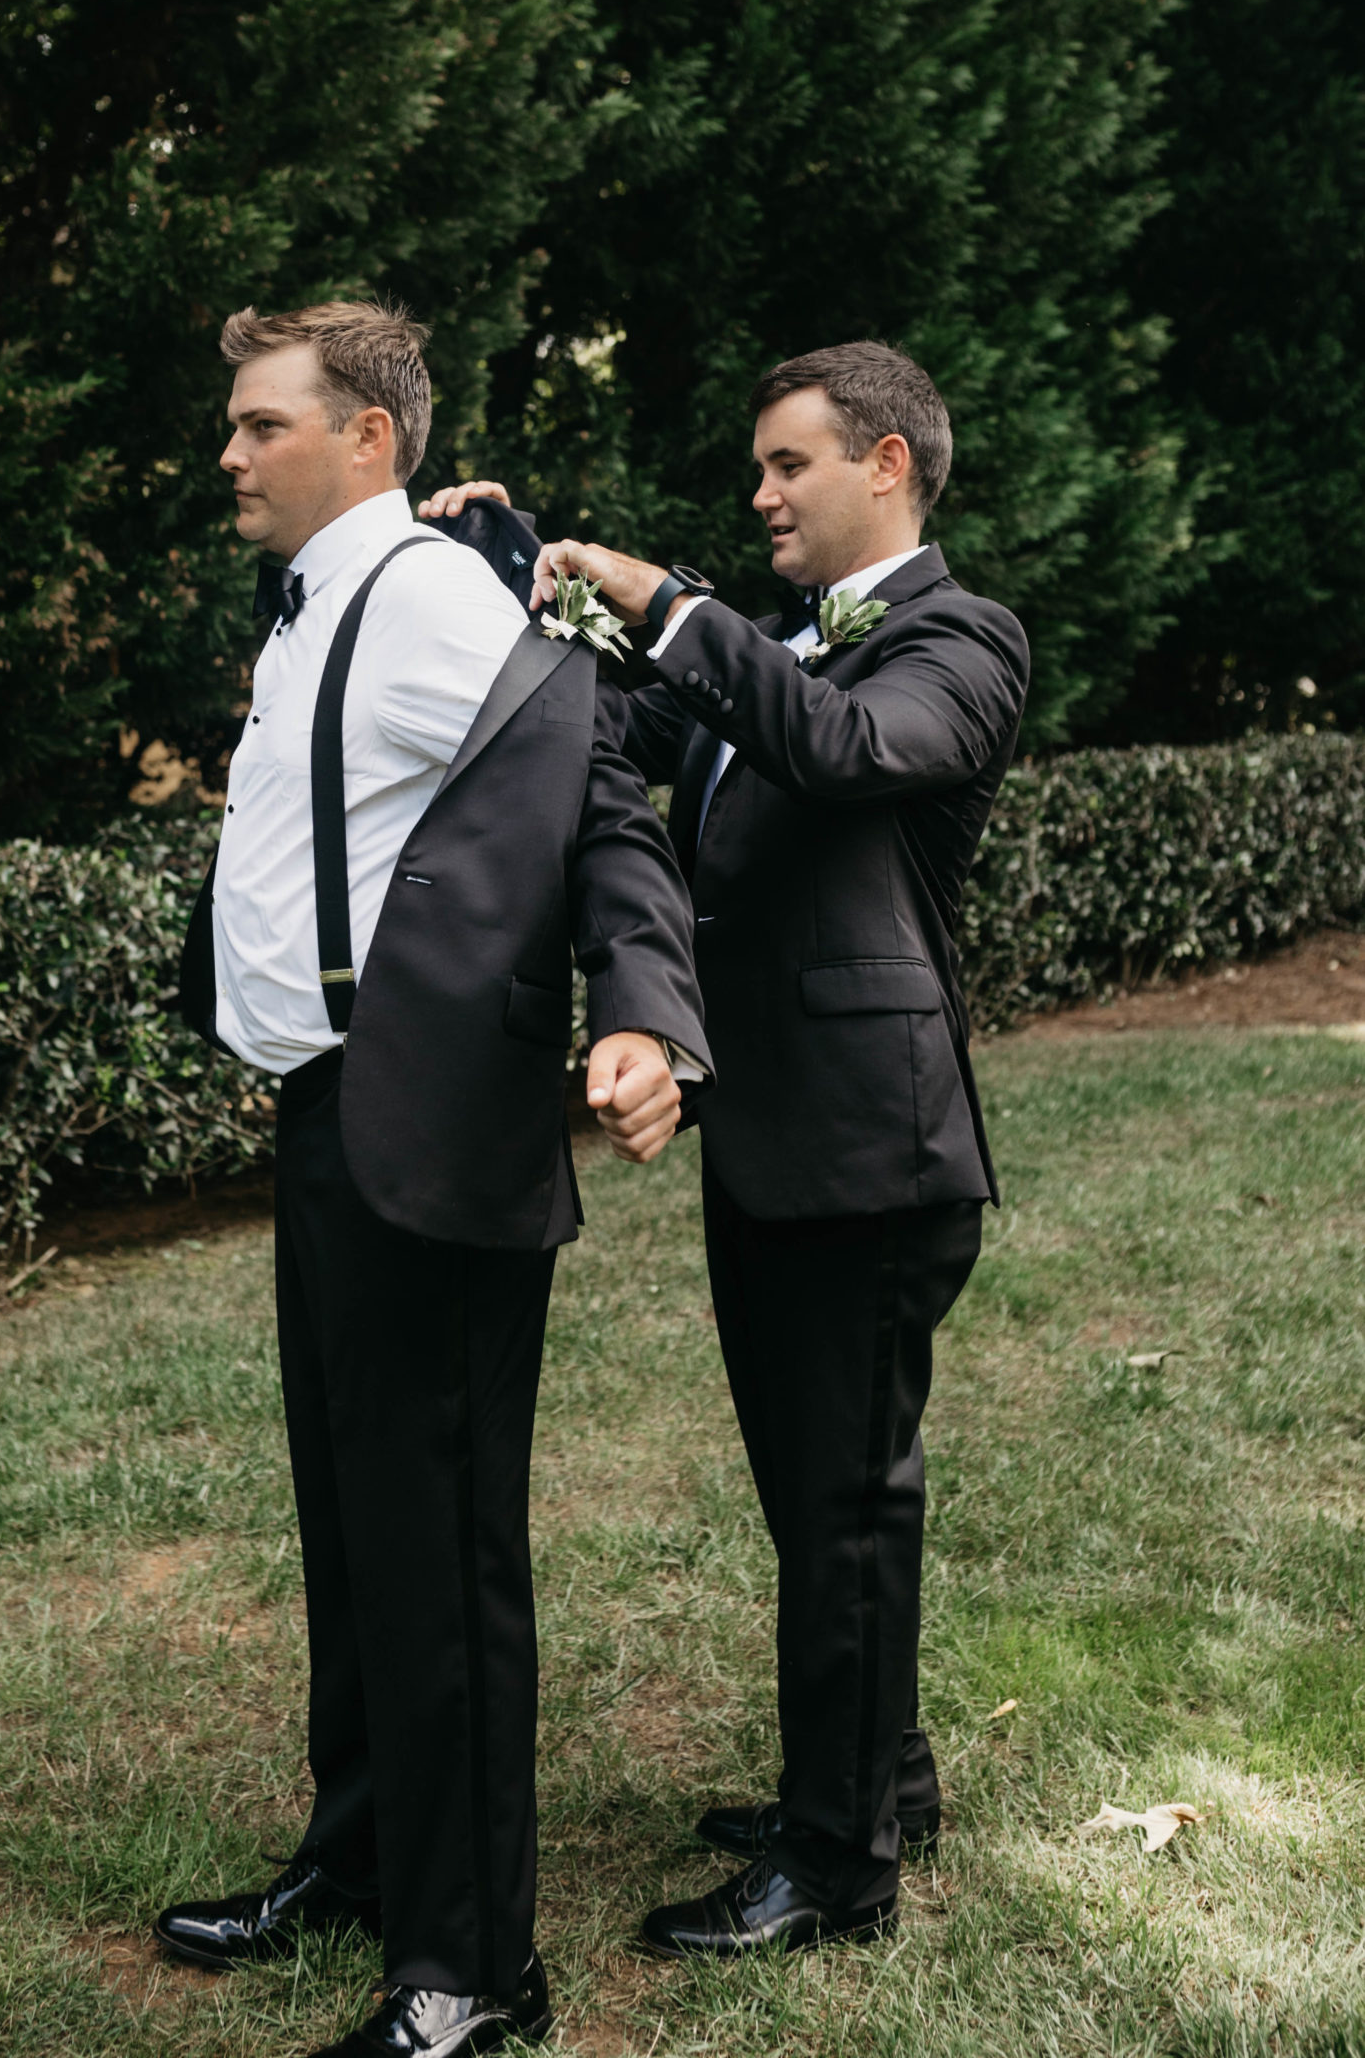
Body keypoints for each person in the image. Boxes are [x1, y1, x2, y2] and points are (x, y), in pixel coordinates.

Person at [420, 339, 1029, 1958]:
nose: (760, 493)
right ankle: (881, 1780)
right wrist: (505, 564)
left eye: (787, 463)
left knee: (846, 1507)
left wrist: (670, 598)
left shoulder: (961, 640)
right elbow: (605, 721)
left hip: (874, 1152)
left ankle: (838, 1870)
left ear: (886, 464)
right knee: (813, 1500)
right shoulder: (769, 653)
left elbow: (841, 748)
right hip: (777, 1141)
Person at [160, 300, 710, 2058]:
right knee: (354, 1521)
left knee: (442, 1545)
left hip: (430, 1128)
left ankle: (474, 1970)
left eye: (262, 423)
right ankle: (365, 1857)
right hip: (330, 1121)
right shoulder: (322, 604)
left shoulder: (431, 602)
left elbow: (599, 800)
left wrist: (643, 1011)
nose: (230, 452)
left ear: (369, 439)